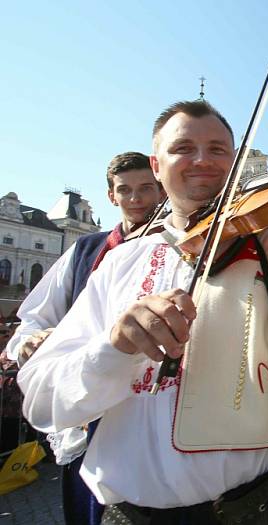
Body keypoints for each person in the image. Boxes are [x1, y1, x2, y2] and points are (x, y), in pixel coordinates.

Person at [18, 99, 268, 524]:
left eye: (219, 150)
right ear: (156, 165)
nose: (203, 161)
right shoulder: (120, 261)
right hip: (128, 515)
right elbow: (43, 403)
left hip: (264, 507)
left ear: (237, 162)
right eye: (183, 148)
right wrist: (113, 348)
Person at [7, 151, 163, 525]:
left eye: (146, 188)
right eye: (125, 190)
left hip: (149, 415)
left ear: (161, 190)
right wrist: (28, 342)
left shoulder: (180, 246)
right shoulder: (85, 249)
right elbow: (33, 316)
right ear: (112, 196)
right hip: (87, 411)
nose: (136, 199)